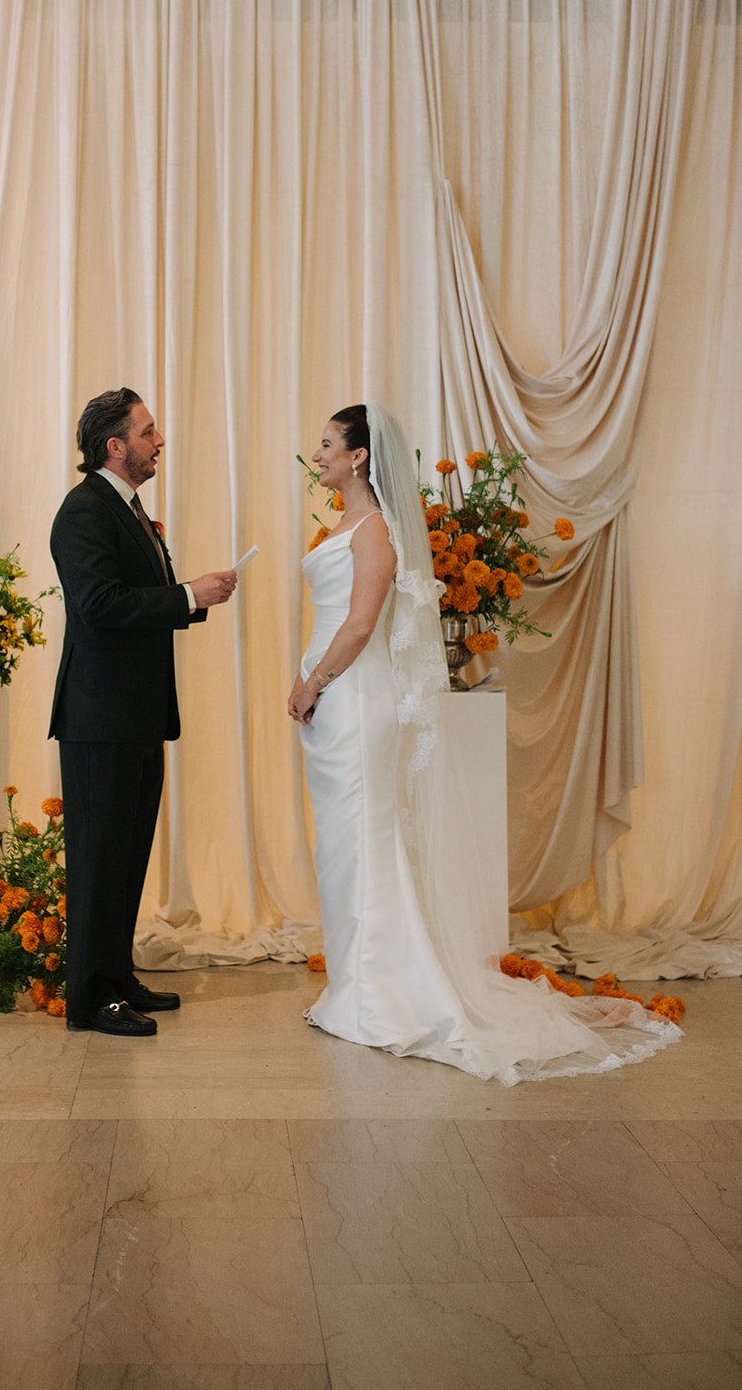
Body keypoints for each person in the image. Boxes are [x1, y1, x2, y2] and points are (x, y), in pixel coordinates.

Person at [289, 401, 681, 1083]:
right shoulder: (343, 524)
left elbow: (358, 625)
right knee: (343, 849)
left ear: (358, 457)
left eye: (327, 444)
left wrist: (313, 681)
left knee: (365, 841)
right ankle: (355, 986)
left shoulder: (375, 530)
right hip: (335, 699)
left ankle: (382, 997)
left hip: (355, 695)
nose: (316, 454)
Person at [50, 388, 236, 1036]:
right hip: (99, 720)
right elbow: (100, 605)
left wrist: (192, 595)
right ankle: (91, 999)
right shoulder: (82, 512)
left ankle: (116, 977)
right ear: (115, 446)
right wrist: (186, 594)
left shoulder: (125, 509)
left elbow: (139, 595)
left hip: (133, 716)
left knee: (126, 856)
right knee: (100, 861)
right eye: (148, 432)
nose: (159, 443)